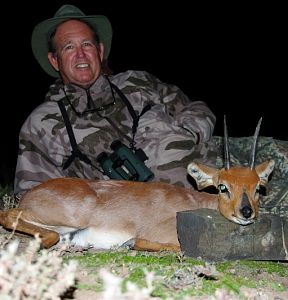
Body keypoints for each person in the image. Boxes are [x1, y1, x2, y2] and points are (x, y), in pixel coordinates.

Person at [14, 4, 217, 197]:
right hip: (132, 218)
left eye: (87, 44)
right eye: (68, 47)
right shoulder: (42, 124)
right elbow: (32, 195)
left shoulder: (138, 82)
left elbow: (196, 108)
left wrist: (185, 134)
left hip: (213, 184)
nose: (81, 55)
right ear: (54, 60)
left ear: (100, 51)